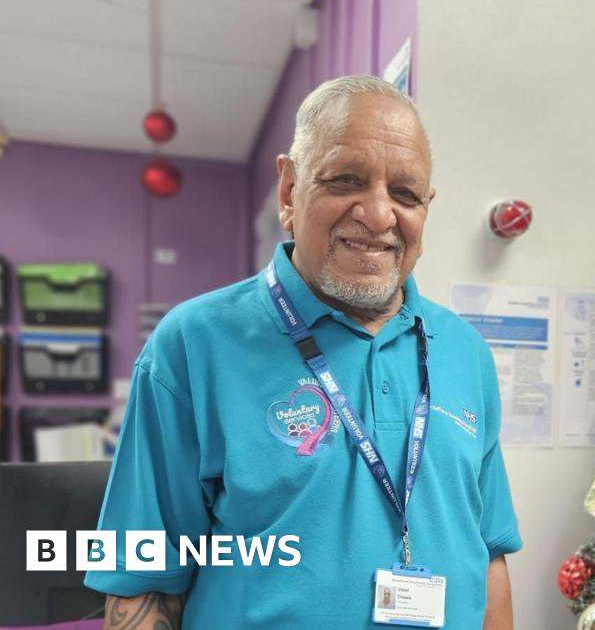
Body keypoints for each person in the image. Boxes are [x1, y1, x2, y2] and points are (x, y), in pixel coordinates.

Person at [85, 76, 521, 628]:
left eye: (406, 194)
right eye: (347, 180)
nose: (380, 215)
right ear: (290, 190)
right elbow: (141, 584)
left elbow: (489, 554)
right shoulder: (193, 345)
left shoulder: (466, 353)